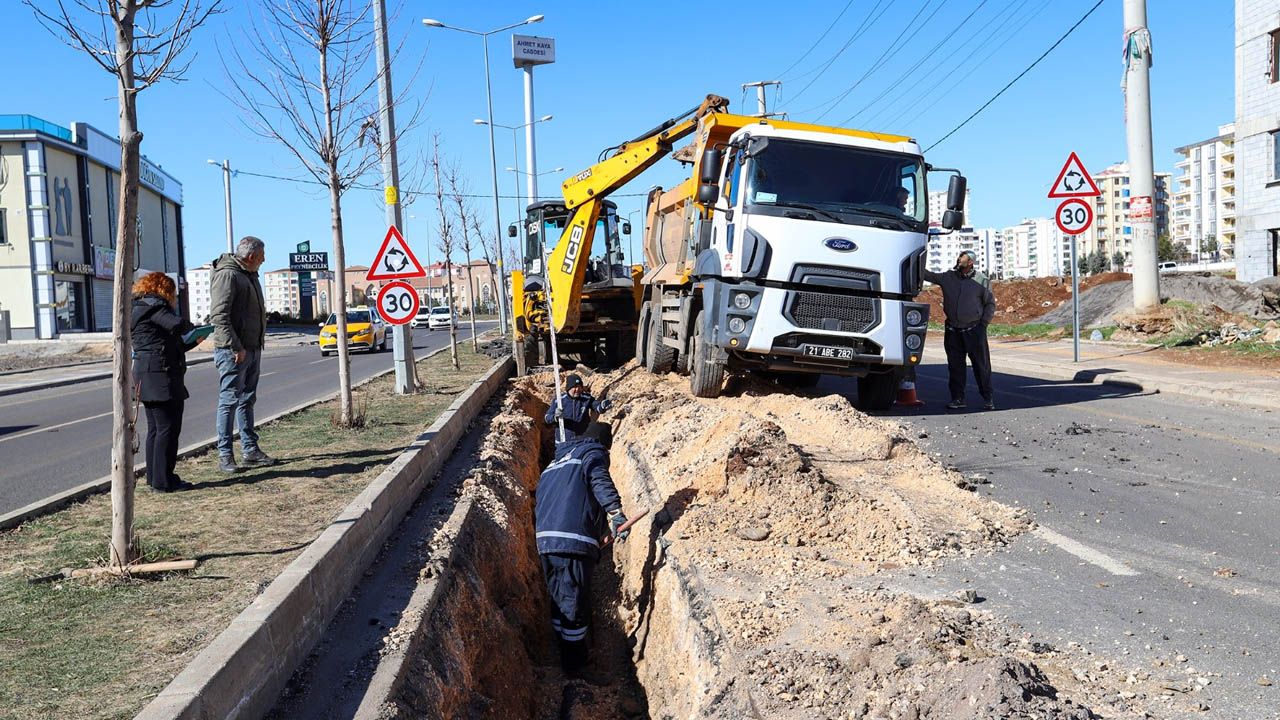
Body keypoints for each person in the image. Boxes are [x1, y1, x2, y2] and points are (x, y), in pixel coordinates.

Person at [535, 422, 629, 677]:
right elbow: (598, 480)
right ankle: (575, 667)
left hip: (546, 541)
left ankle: (562, 649)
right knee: (574, 605)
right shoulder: (592, 454)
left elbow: (571, 499)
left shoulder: (556, 462)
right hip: (571, 542)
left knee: (559, 599)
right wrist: (616, 512)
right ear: (603, 443)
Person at [131, 272, 202, 492]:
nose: (174, 298)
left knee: (156, 429)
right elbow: (180, 326)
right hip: (161, 375)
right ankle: (164, 482)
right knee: (167, 429)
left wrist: (194, 341)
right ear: (164, 290)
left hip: (146, 372)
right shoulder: (154, 308)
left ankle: (156, 478)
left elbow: (168, 344)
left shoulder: (139, 309)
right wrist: (193, 329)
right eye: (173, 293)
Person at [210, 236, 276, 472]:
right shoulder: (228, 275)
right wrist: (236, 347)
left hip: (252, 348)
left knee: (247, 400)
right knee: (229, 401)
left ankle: (250, 450)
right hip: (234, 352)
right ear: (250, 257)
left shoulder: (249, 274)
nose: (264, 259)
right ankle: (225, 455)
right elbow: (219, 317)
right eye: (261, 256)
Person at [922, 251, 997, 410]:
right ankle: (958, 398)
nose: (958, 260)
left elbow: (990, 304)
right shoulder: (948, 277)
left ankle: (988, 398)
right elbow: (929, 276)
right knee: (955, 367)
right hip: (953, 330)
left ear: (970, 262)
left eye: (962, 258)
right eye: (958, 257)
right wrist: (915, 261)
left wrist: (983, 324)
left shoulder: (981, 280)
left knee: (981, 366)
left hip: (974, 330)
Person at [545, 373, 613, 442]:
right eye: (574, 387)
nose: (577, 389)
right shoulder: (559, 401)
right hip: (564, 441)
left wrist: (602, 406)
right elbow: (547, 418)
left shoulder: (586, 398)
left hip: (582, 440)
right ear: (568, 388)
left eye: (579, 386)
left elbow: (596, 406)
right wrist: (555, 417)